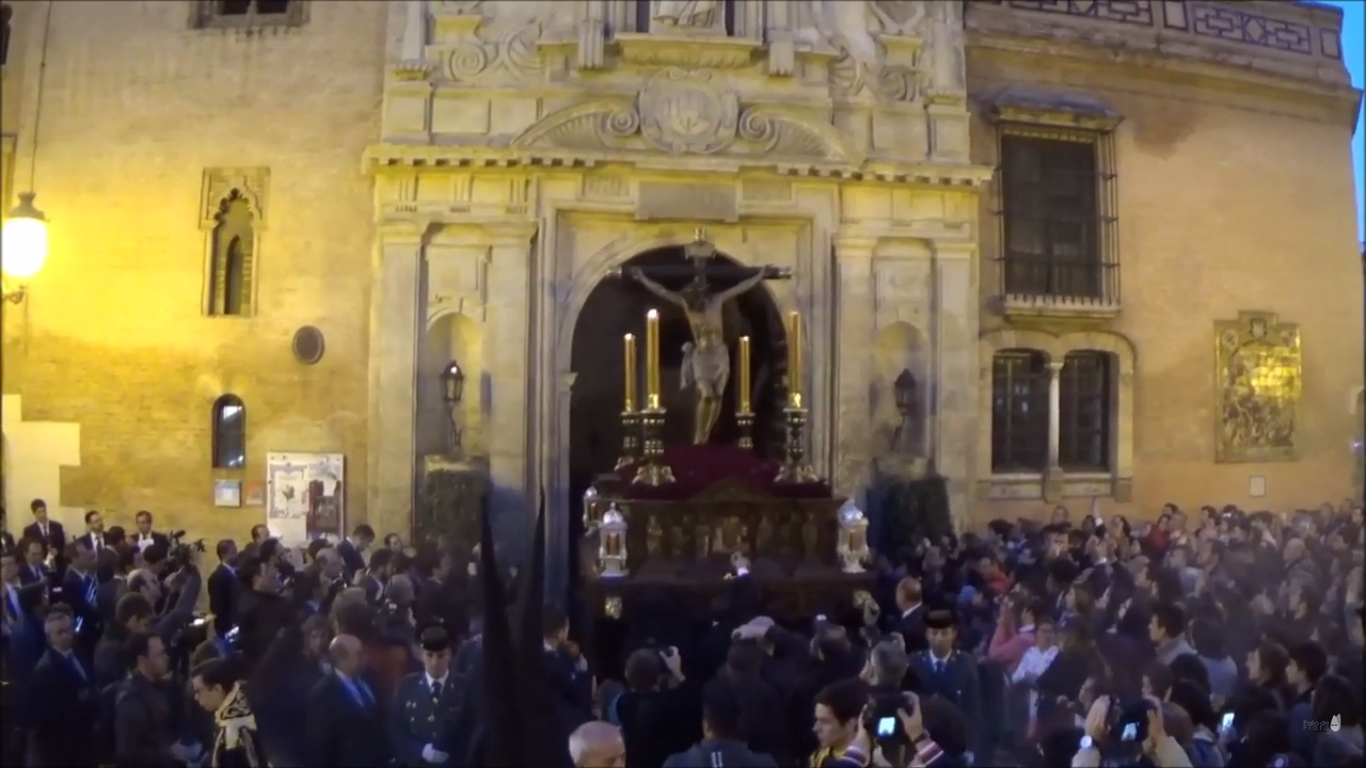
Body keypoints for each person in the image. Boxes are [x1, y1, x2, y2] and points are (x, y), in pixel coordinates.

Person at [26, 606, 98, 767]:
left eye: (69, 629)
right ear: (49, 637)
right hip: (66, 750)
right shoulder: (46, 670)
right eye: (60, 632)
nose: (67, 635)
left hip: (85, 740)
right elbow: (48, 721)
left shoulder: (78, 654)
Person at [305, 634, 391, 767]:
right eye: (359, 654)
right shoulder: (323, 694)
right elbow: (320, 746)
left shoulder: (369, 680)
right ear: (341, 658)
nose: (365, 658)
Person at [390, 625, 459, 766]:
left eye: (441, 656)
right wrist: (421, 751)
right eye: (429, 655)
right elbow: (396, 732)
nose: (435, 662)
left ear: (450, 655)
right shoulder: (407, 686)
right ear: (422, 655)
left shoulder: (462, 686)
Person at [190, 657, 265, 768]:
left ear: (217, 689)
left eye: (198, 691)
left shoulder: (234, 733)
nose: (196, 697)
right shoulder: (243, 713)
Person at [207, 539, 239, 639]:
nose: (237, 554)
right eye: (233, 552)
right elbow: (217, 606)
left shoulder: (237, 572)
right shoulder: (217, 577)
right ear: (224, 555)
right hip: (226, 626)